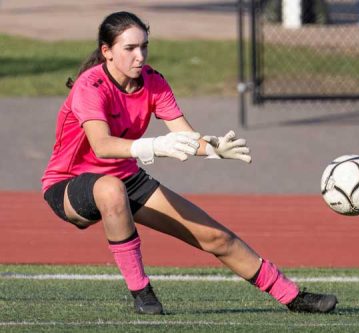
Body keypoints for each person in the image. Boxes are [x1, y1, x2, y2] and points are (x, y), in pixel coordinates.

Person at [42, 11, 338, 315]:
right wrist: (155, 146)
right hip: (68, 184)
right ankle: (142, 292)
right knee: (110, 189)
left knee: (215, 236)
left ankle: (292, 297)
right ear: (107, 52)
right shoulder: (90, 86)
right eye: (129, 48)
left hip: (126, 179)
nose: (140, 56)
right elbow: (102, 146)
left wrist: (214, 148)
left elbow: (185, 136)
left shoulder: (153, 81)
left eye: (144, 46)